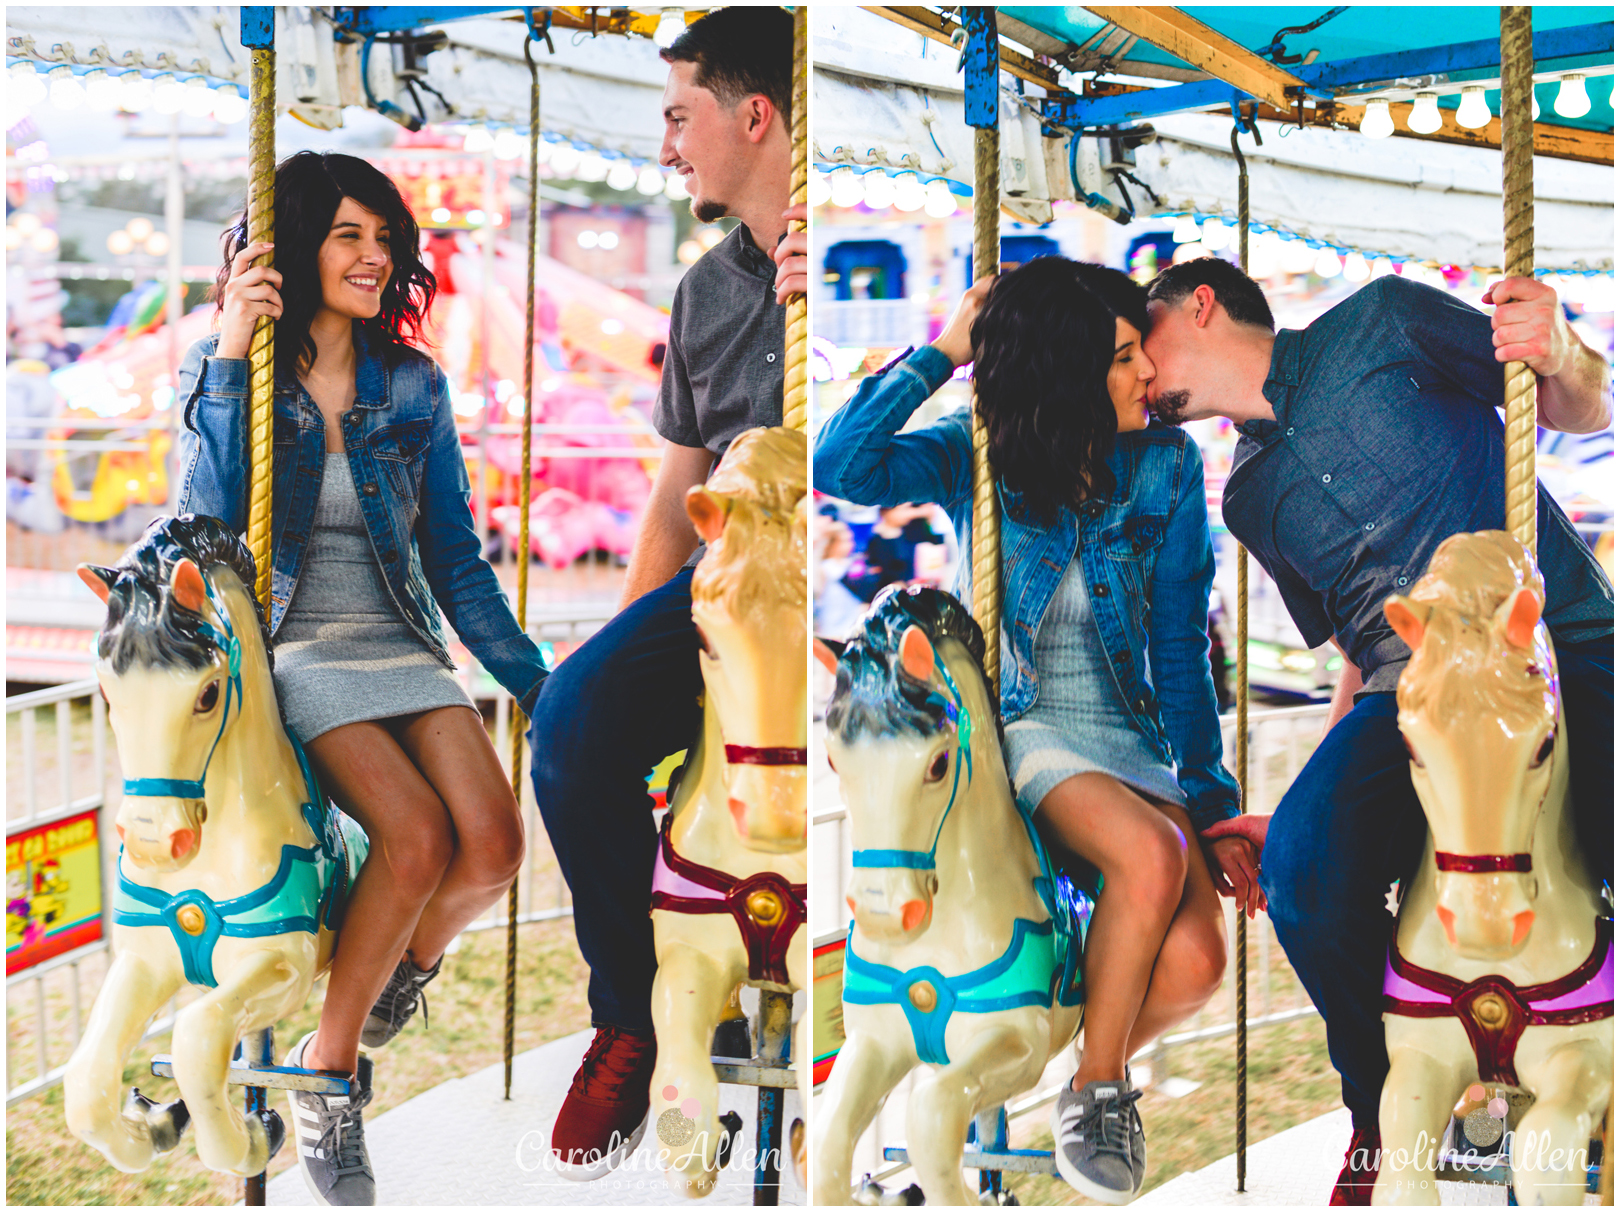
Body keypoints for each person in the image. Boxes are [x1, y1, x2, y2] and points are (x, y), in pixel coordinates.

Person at [1141, 257, 1614, 1205]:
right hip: (1409, 695)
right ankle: (1383, 1099)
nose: (1138, 373)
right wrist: (1318, 799)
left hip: (1554, 638)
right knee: (1302, 875)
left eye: (1142, 340)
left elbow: (1575, 407)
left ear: (1200, 306)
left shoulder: (1386, 323)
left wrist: (1559, 348)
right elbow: (1355, 649)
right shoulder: (1247, 497)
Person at [814, 258, 1260, 1205]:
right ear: (1065, 369)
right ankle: (1102, 1092)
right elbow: (839, 463)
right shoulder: (977, 451)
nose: (1151, 375)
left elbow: (1181, 644)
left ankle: (1037, 1062)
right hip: (1024, 730)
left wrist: (1214, 803)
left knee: (1195, 962)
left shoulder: (1169, 467)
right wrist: (946, 349)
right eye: (1125, 356)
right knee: (1144, 855)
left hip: (1130, 739)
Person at [177, 151, 548, 1205]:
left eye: (384, 237)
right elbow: (204, 519)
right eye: (349, 235)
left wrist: (538, 682)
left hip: (403, 638)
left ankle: (389, 975)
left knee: (497, 843)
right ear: (294, 246)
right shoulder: (228, 370)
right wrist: (233, 347)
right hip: (297, 645)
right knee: (419, 835)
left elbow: (457, 558)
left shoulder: (413, 383)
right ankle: (325, 1076)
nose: (375, 256)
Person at [524, 6, 808, 1179]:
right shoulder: (704, 293)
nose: (666, 149)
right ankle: (631, 1011)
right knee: (572, 727)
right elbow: (678, 486)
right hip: (722, 584)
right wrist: (626, 639)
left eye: (678, 118)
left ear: (755, 116)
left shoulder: (847, 264)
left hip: (830, 582)